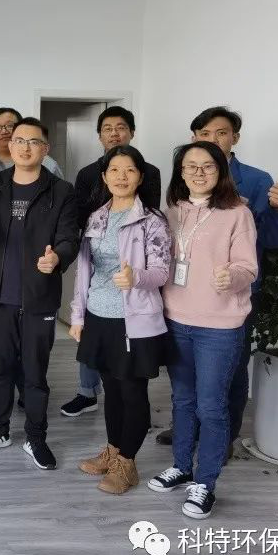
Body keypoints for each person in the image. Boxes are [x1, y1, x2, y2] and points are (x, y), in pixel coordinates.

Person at [154, 107, 278, 446]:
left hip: (232, 293)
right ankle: (187, 429)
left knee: (230, 370)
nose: (213, 139)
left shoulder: (257, 181)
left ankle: (224, 437)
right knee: (186, 374)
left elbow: (273, 239)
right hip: (185, 299)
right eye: (204, 134)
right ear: (193, 139)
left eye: (221, 133)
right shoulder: (184, 186)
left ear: (235, 138)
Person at [147, 141, 257, 520]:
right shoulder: (171, 211)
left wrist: (233, 276)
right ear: (180, 172)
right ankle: (181, 466)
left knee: (211, 406)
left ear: (220, 171)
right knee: (182, 400)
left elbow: (248, 267)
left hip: (219, 326)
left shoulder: (238, 213)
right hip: (176, 320)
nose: (198, 172)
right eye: (190, 166)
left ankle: (205, 483)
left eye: (207, 166)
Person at [0, 117, 78, 470]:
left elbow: (69, 237)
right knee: (0, 368)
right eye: (19, 140)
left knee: (34, 373)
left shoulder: (61, 191)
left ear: (45, 149)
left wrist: (57, 257)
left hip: (39, 295)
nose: (25, 147)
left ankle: (36, 437)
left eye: (33, 141)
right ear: (10, 145)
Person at [69, 146, 171, 494]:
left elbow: (161, 271)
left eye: (129, 170)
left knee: (132, 391)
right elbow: (84, 271)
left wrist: (136, 278)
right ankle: (113, 452)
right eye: (114, 170)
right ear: (104, 176)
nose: (121, 176)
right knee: (110, 390)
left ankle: (128, 463)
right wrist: (78, 315)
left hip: (134, 319)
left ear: (140, 177)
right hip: (99, 316)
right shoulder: (96, 217)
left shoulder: (152, 220)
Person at [61, 106, 162, 419]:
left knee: (128, 381)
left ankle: (128, 426)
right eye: (107, 128)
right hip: (98, 272)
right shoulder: (88, 176)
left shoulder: (150, 175)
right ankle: (87, 393)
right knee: (97, 353)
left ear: (131, 132)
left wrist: (136, 270)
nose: (114, 133)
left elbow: (150, 224)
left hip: (134, 284)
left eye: (121, 127)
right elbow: (80, 219)